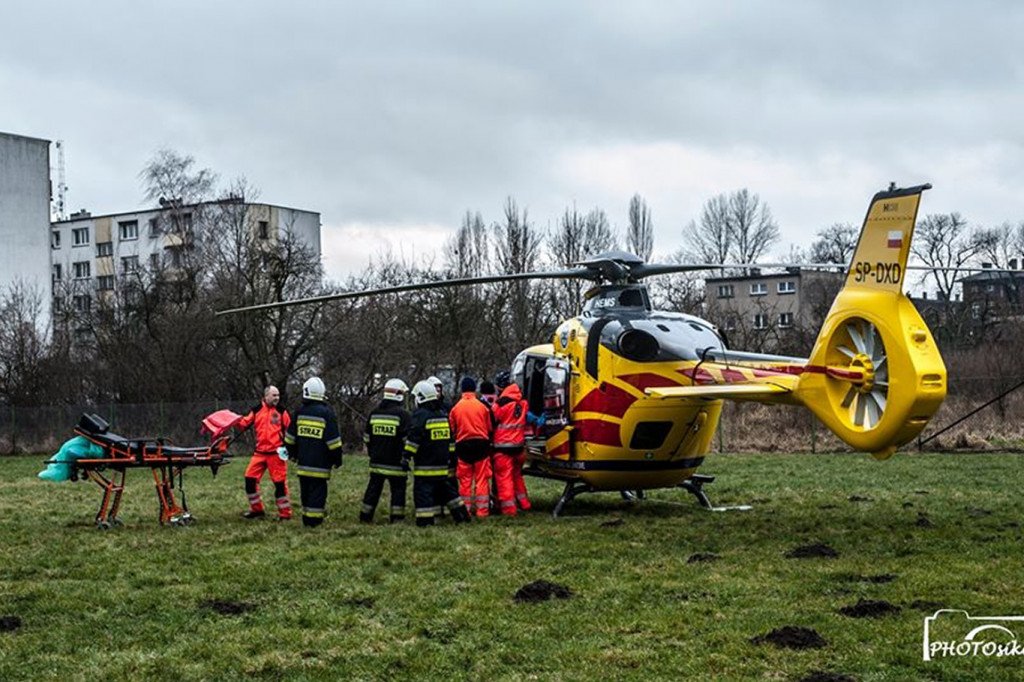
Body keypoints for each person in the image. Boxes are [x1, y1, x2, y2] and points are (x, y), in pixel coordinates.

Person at [405, 380, 470, 526]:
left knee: (423, 494)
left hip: (425, 468)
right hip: (442, 466)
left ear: (420, 397)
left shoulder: (420, 415)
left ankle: (425, 521)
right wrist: (451, 458)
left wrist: (406, 457)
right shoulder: (442, 414)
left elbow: (414, 439)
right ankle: (462, 515)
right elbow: (450, 440)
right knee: (448, 492)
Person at [284, 377, 343, 527]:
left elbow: (290, 439)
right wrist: (337, 459)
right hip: (321, 465)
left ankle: (306, 518)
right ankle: (314, 521)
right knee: (318, 493)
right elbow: (333, 441)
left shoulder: (299, 412)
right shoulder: (327, 413)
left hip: (303, 464)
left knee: (306, 492)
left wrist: (293, 454)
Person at [360, 378, 411, 523]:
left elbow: (367, 438)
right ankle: (397, 519)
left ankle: (365, 516)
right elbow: (407, 440)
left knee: (373, 491)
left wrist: (372, 453)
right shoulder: (404, 415)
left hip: (376, 462)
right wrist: (406, 457)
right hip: (396, 464)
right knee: (398, 491)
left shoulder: (374, 413)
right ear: (399, 394)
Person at [237, 385, 292, 520]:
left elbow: (291, 431)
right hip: (260, 453)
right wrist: (233, 419)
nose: (277, 398)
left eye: (278, 395)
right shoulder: (256, 410)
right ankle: (257, 510)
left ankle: (285, 514)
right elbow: (243, 423)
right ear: (266, 396)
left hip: (276, 453)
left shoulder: (282, 411)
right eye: (274, 395)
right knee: (249, 479)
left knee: (279, 484)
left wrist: (290, 448)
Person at [492, 381, 543, 515]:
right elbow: (529, 418)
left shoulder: (500, 404)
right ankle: (524, 503)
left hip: (502, 447)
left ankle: (509, 509)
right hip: (519, 447)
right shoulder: (523, 403)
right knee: (517, 477)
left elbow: (491, 421)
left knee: (504, 478)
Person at [448, 376, 494, 517]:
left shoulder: (456, 408)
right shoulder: (483, 407)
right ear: (475, 389)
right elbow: (489, 427)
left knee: (465, 481)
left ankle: (465, 510)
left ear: (462, 389)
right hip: (481, 445)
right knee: (481, 480)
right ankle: (482, 511)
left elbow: (452, 429)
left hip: (463, 446)